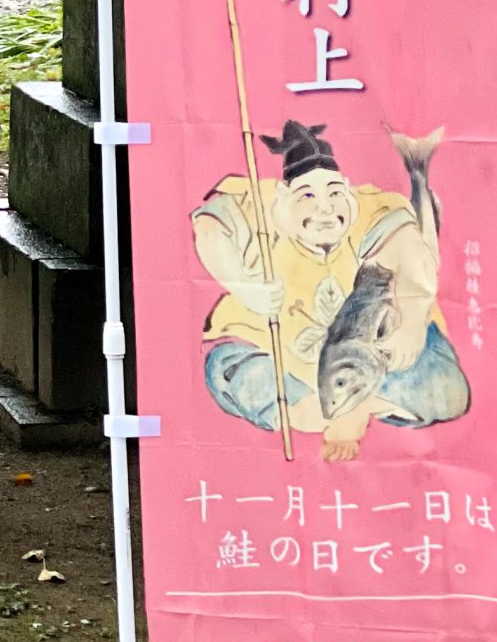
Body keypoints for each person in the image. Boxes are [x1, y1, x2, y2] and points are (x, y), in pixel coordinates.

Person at [193, 119, 469, 459]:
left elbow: (410, 252)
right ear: (284, 196)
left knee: (447, 390)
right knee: (227, 372)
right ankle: (328, 408)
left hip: (369, 353)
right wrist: (244, 286)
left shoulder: (369, 208)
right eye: (307, 195)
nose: (325, 208)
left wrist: (411, 324)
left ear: (348, 190)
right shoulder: (262, 203)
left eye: (335, 193)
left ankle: (352, 402)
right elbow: (209, 229)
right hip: (274, 349)